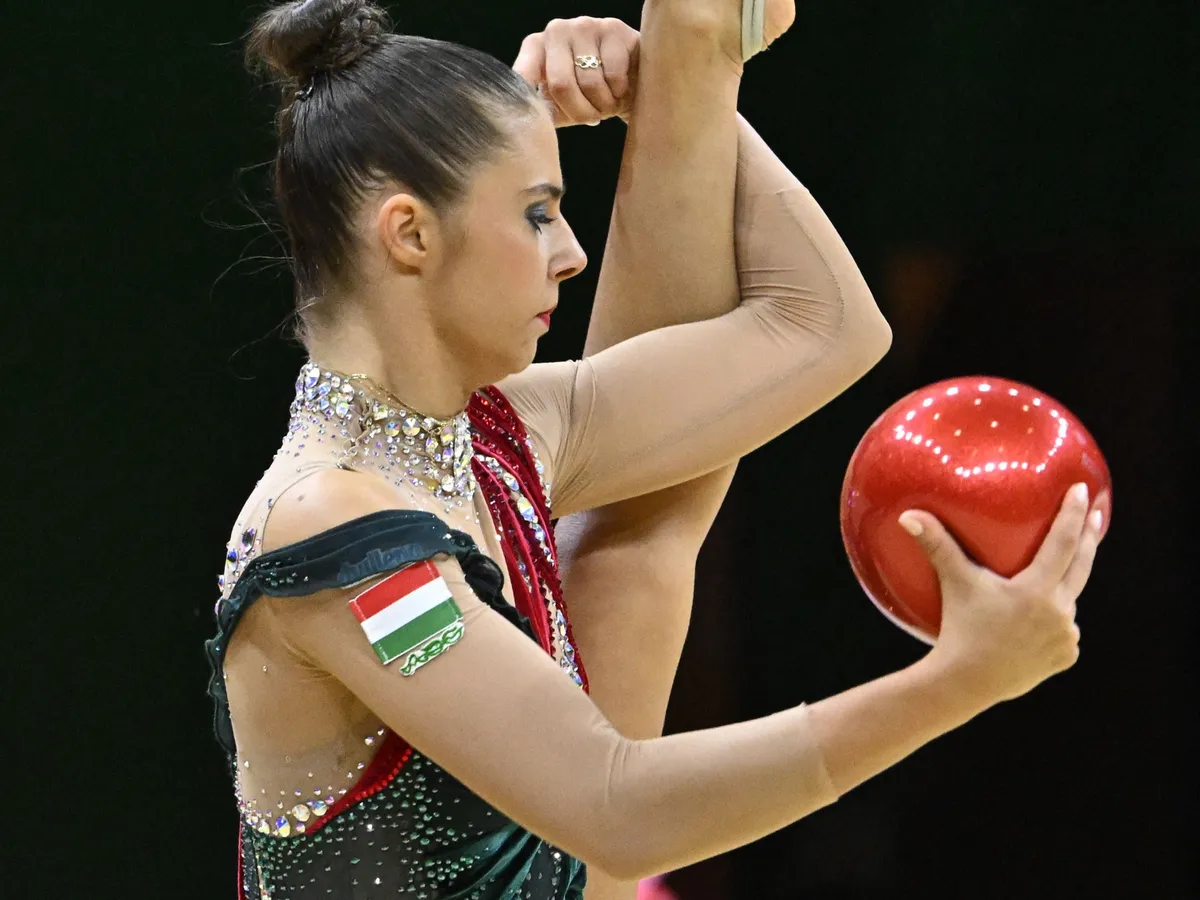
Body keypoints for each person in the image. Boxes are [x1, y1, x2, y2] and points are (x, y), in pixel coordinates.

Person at [205, 3, 1103, 900]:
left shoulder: (502, 434)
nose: (570, 253)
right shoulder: (332, 534)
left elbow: (826, 328)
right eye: (536, 214)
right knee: (639, 551)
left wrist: (676, 83)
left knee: (640, 542)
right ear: (409, 234)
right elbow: (616, 807)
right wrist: (957, 683)